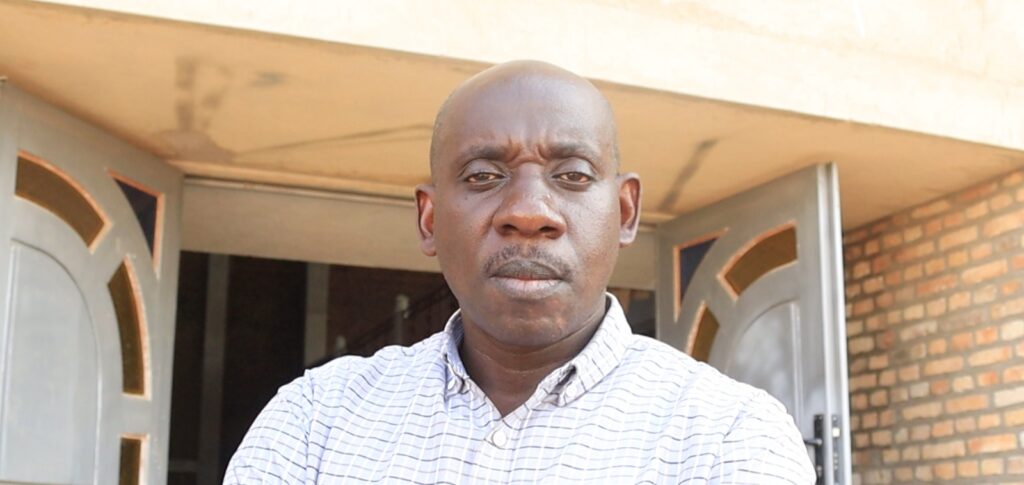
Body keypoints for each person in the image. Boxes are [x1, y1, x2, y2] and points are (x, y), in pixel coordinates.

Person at [224, 60, 815, 483]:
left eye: (573, 175)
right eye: (483, 176)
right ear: (430, 219)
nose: (529, 213)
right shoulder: (315, 421)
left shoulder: (728, 437)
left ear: (625, 212)